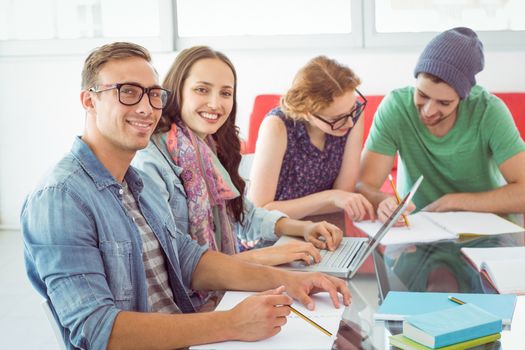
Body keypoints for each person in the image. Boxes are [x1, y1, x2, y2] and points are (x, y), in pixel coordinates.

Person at [21, 42, 351, 350]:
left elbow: (190, 260)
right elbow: (93, 329)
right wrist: (231, 323)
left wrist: (289, 281)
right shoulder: (61, 198)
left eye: (153, 95)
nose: (146, 107)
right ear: (89, 100)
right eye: (128, 93)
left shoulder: (133, 182)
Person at [133, 46, 343, 273]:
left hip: (226, 278)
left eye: (225, 93)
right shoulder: (149, 161)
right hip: (191, 298)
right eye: (202, 90)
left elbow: (243, 214)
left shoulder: (208, 146)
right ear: (176, 91)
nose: (215, 104)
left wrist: (303, 228)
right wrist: (264, 257)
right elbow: (175, 260)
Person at [357, 27, 525, 223]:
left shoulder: (489, 111)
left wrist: (455, 202)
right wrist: (382, 200)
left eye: (444, 103)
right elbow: (363, 184)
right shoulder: (396, 107)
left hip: (488, 228)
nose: (428, 110)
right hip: (420, 230)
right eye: (422, 94)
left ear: (463, 97)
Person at [248, 56, 375, 222]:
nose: (350, 122)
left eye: (352, 110)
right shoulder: (277, 126)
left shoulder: (353, 114)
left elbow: (345, 195)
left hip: (324, 226)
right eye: (336, 118)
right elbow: (260, 212)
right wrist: (331, 197)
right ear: (306, 113)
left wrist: (335, 199)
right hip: (276, 232)